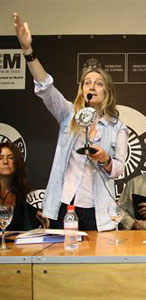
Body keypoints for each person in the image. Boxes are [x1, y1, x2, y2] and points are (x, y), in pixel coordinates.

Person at [14, 13, 128, 231]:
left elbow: (119, 168)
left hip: (97, 210)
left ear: (107, 91)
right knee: (61, 261)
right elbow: (45, 87)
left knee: (93, 263)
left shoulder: (117, 128)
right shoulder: (68, 113)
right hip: (64, 204)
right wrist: (28, 51)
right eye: (87, 82)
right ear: (82, 89)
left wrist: (105, 159)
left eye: (98, 83)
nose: (92, 86)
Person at [0, 142, 42, 230]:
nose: (5, 162)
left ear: (17, 162)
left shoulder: (19, 193)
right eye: (0, 158)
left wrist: (37, 213)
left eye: (10, 158)